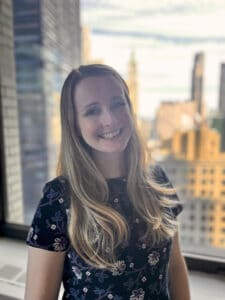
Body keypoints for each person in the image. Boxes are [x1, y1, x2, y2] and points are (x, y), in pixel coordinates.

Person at [25, 64, 190, 300]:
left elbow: (174, 265)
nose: (110, 119)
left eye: (117, 104)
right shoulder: (59, 198)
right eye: (92, 111)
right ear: (74, 124)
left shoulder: (157, 180)